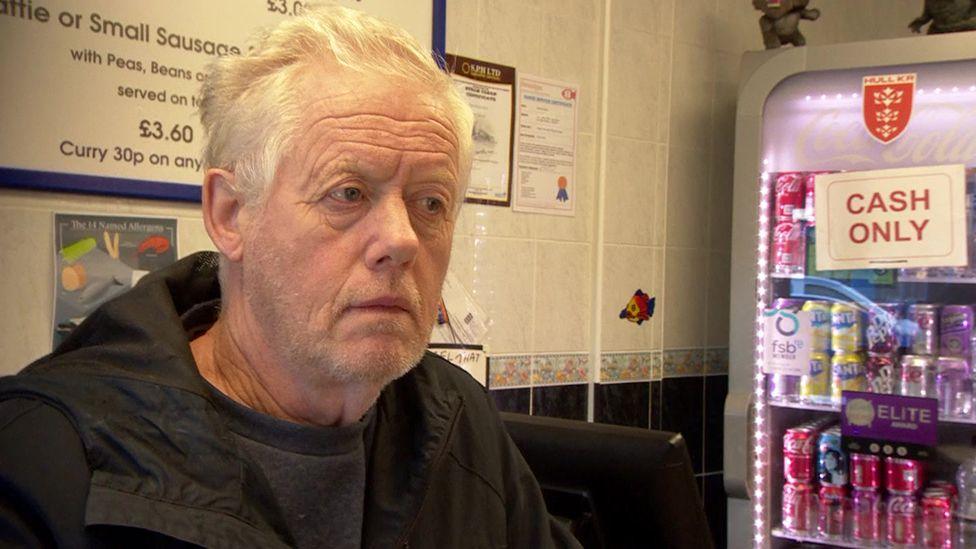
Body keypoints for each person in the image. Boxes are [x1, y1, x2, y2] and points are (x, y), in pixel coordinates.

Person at [0, 6, 579, 548]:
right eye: (348, 193)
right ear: (231, 214)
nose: (402, 239)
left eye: (431, 204)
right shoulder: (44, 458)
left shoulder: (462, 428)